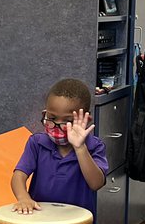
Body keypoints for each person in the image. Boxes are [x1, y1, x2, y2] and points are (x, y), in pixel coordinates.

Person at [11, 77, 108, 215]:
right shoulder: (37, 143)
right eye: (52, 118)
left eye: (68, 121)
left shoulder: (94, 146)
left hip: (77, 222)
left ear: (85, 120)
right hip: (40, 219)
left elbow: (96, 183)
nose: (58, 126)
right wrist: (23, 198)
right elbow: (18, 176)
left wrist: (80, 148)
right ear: (45, 114)